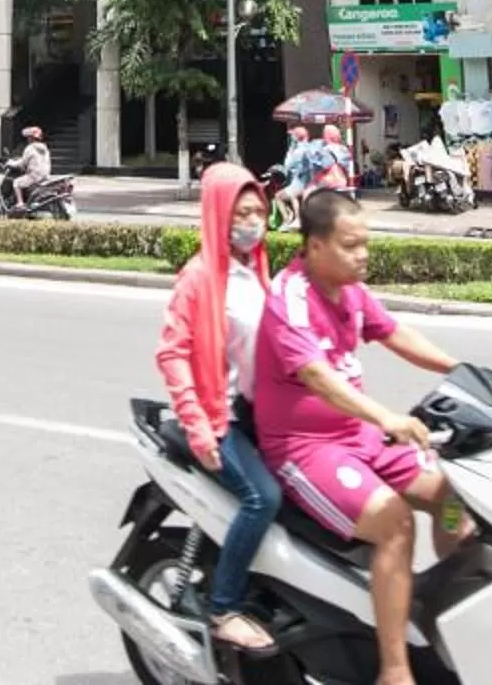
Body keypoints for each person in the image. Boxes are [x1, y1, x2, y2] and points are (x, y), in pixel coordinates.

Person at [255, 191, 468, 685]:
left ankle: (443, 615)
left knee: (453, 495)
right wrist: (386, 416)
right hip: (305, 450)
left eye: (366, 243)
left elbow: (394, 333)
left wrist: (461, 370)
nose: (363, 255)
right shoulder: (290, 298)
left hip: (360, 437)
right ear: (313, 246)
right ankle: (394, 669)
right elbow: (316, 377)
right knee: (395, 525)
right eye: (351, 245)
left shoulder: (349, 289)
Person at [151, 164, 282, 654]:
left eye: (257, 211)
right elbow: (171, 353)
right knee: (262, 498)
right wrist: (199, 428)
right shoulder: (200, 276)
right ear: (218, 215)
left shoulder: (255, 269)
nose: (252, 221)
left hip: (254, 414)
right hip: (216, 417)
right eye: (240, 212)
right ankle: (223, 605)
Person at [9, 124, 53, 212]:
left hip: (34, 176)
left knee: (16, 182)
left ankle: (20, 203)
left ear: (31, 138)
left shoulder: (30, 148)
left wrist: (11, 163)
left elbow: (22, 163)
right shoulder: (45, 148)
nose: (27, 139)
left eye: (28, 137)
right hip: (46, 175)